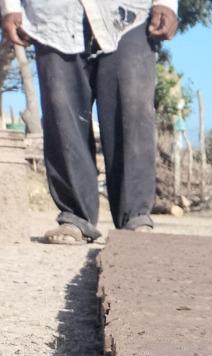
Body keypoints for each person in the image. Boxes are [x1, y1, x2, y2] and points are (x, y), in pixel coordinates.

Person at [1, 0, 177, 244]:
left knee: (132, 108)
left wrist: (166, 3)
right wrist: (9, 7)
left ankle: (135, 216)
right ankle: (75, 216)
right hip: (53, 16)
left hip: (128, 15)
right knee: (62, 113)